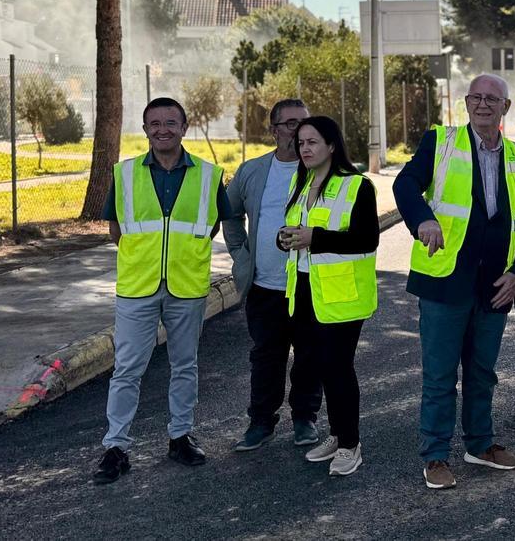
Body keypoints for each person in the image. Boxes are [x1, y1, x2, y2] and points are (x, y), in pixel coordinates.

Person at [393, 74, 515, 490]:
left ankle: (480, 443)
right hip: (445, 282)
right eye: (475, 96)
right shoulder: (440, 142)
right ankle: (435, 455)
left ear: (506, 108)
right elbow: (405, 184)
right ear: (466, 102)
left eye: (492, 98)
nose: (482, 104)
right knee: (440, 376)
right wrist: (422, 219)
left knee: (482, 372)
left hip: (496, 286)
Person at [93, 97, 229, 485]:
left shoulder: (208, 175)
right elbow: (116, 229)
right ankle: (116, 447)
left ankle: (180, 436)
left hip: (187, 286)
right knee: (127, 369)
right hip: (137, 287)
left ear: (184, 128)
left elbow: (213, 225)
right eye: (155, 123)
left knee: (185, 365)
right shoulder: (124, 174)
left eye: (171, 122)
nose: (163, 129)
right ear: (145, 129)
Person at [277, 116, 379, 477]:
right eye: (301, 143)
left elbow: (367, 240)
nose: (304, 149)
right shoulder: (300, 182)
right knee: (320, 367)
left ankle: (351, 444)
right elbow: (294, 229)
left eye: (312, 142)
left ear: (332, 146)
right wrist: (285, 237)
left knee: (338, 369)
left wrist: (314, 238)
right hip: (305, 290)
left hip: (343, 295)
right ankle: (337, 435)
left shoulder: (357, 186)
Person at [224, 99, 325, 452]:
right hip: (265, 286)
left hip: (310, 283)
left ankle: (304, 419)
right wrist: (240, 254)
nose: (298, 131)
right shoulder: (253, 171)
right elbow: (230, 212)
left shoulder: (321, 170)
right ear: (274, 129)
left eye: (304, 124)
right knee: (266, 355)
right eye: (289, 124)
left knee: (310, 354)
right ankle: (261, 422)